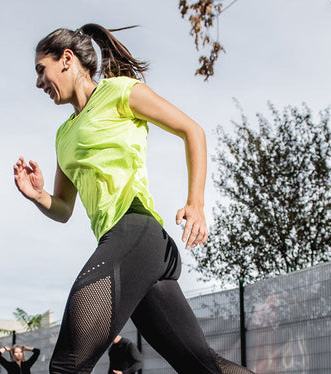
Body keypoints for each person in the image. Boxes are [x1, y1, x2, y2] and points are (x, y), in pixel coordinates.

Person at [13, 23, 254, 374]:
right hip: (130, 251)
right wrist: (38, 195)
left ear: (66, 59)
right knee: (203, 367)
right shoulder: (63, 134)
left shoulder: (119, 92)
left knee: (67, 366)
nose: (39, 83)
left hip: (137, 230)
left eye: (41, 70)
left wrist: (196, 203)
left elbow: (192, 131)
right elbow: (64, 209)